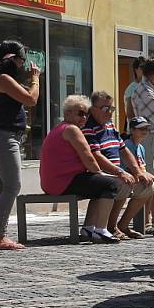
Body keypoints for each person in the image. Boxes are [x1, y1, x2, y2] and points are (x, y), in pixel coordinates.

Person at [39, 95, 120, 243]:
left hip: (55, 181)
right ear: (67, 113)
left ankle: (89, 228)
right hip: (63, 181)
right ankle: (101, 230)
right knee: (110, 184)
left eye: (86, 113)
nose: (84, 117)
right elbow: (88, 158)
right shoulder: (72, 130)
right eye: (80, 113)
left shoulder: (60, 129)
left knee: (99, 186)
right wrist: (100, 173)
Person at [0, 40, 40, 250]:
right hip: (4, 135)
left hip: (6, 135)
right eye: (21, 61)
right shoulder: (3, 77)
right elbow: (30, 99)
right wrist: (35, 79)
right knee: (13, 185)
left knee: (5, 187)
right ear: (13, 59)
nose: (23, 65)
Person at [82, 91, 152, 240]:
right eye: (105, 109)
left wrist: (138, 171)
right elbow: (96, 156)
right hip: (100, 175)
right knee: (124, 183)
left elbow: (124, 150)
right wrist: (120, 172)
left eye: (111, 109)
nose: (109, 112)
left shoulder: (110, 126)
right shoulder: (89, 128)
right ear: (93, 109)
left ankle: (123, 225)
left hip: (116, 173)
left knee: (148, 186)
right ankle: (111, 227)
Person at [130, 58, 154, 233]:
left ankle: (153, 220)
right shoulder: (144, 90)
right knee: (153, 179)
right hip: (150, 137)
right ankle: (153, 221)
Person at [119, 117, 154, 238]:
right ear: (132, 130)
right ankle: (144, 223)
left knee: (152, 185)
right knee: (149, 187)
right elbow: (129, 168)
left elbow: (142, 169)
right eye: (141, 128)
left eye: (146, 128)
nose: (144, 131)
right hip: (125, 178)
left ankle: (152, 222)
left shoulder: (141, 147)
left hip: (134, 178)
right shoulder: (127, 145)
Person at [123, 56, 146, 130]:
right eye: (142, 67)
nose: (145, 70)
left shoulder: (149, 86)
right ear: (136, 69)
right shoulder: (131, 88)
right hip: (136, 130)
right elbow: (129, 113)